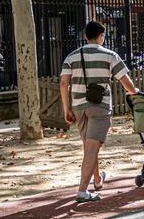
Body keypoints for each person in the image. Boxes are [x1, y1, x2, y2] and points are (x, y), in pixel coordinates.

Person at [59, 21, 137, 202]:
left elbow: (63, 84)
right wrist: (134, 92)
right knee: (92, 147)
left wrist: (66, 108)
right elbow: (126, 83)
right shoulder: (110, 55)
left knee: (89, 146)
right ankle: (82, 191)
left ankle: (97, 179)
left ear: (86, 36)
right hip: (100, 107)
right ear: (101, 36)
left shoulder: (71, 57)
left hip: (78, 107)